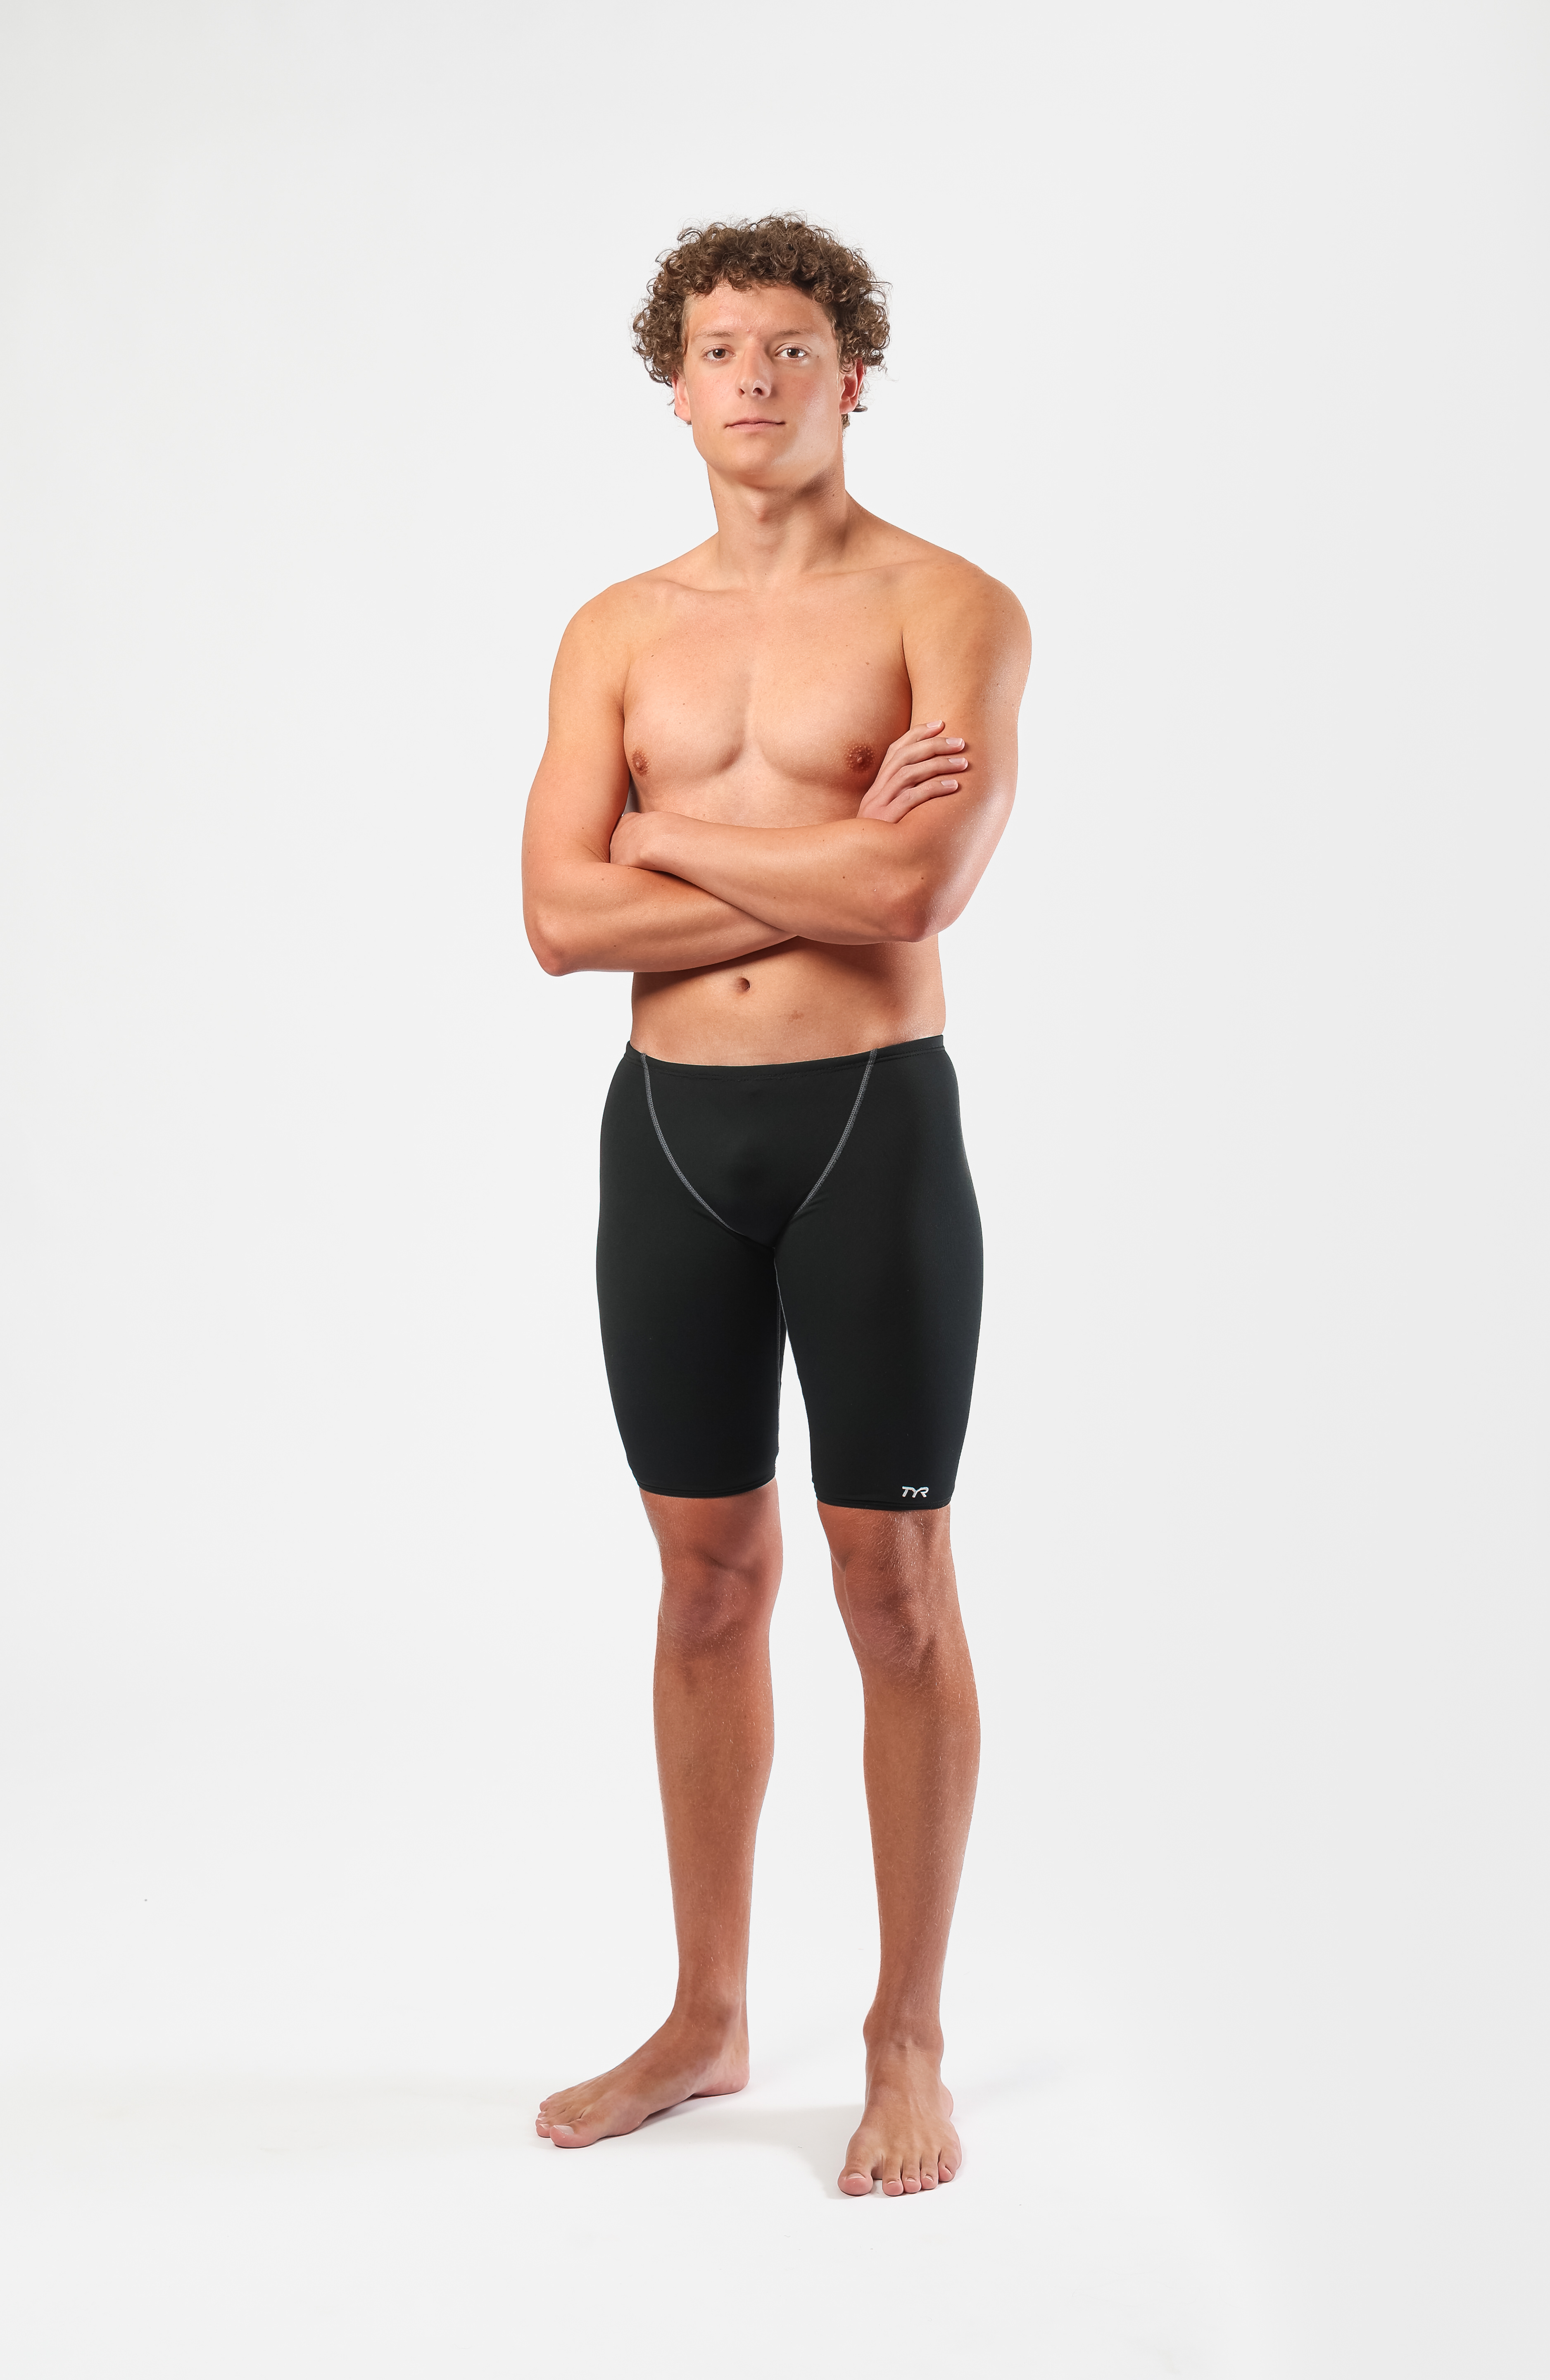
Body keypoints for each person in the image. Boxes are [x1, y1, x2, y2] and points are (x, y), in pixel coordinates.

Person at [520, 216, 1030, 2197]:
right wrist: (800, 855)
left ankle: (907, 2035)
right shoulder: (614, 631)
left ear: (853, 377)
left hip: (867, 1134)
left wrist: (662, 837)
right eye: (721, 347)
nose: (754, 375)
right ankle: (708, 2012)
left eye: (793, 345)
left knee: (892, 1588)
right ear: (676, 387)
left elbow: (916, 891)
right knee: (707, 1585)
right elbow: (560, 920)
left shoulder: (949, 606)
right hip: (667, 1139)